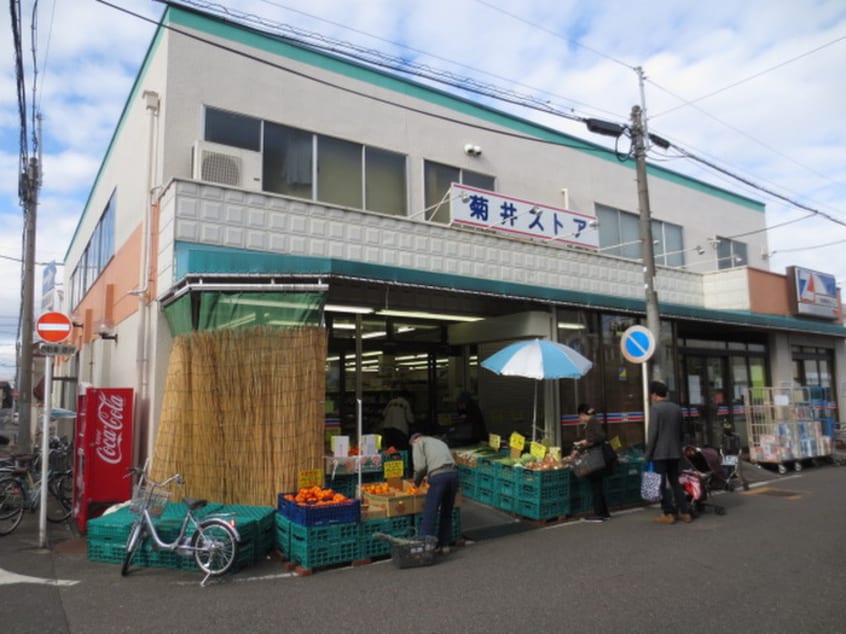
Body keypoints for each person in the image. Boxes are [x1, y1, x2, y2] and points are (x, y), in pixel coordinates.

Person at [645, 380, 693, 525]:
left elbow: (653, 434)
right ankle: (685, 512)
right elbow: (681, 432)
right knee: (675, 482)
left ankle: (669, 513)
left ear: (654, 394)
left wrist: (648, 454)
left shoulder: (656, 409)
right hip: (675, 452)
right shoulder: (677, 408)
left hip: (659, 454)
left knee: (660, 484)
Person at [410, 432, 458, 554]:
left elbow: (420, 467)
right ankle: (444, 545)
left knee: (430, 511)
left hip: (438, 477)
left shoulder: (418, 443)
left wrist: (416, 482)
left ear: (414, 441)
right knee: (446, 511)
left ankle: (424, 546)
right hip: (453, 474)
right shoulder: (439, 441)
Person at [571, 403, 610, 523]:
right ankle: (604, 513)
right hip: (596, 458)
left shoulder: (593, 422)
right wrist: (581, 447)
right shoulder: (592, 422)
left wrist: (586, 441)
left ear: (582, 414)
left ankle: (599, 514)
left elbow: (601, 437)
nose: (580, 419)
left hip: (595, 458)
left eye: (579, 416)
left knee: (596, 486)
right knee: (597, 486)